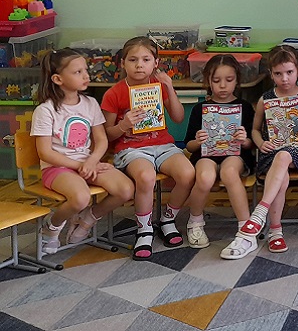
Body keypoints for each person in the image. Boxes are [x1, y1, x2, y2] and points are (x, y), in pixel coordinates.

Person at [31, 49, 134, 254]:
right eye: (78, 72)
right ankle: (51, 227)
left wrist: (92, 161)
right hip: (57, 168)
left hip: (87, 163)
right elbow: (45, 153)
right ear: (58, 79)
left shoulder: (90, 103)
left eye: (85, 70)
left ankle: (87, 219)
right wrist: (82, 165)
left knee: (126, 189)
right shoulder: (45, 110)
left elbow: (101, 140)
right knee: (80, 198)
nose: (86, 75)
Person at [101, 37, 195, 260]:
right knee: (146, 176)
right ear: (123, 63)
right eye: (132, 60)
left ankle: (167, 219)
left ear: (155, 63)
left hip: (163, 145)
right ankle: (144, 229)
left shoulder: (159, 86)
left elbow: (178, 118)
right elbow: (106, 134)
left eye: (145, 60)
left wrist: (169, 87)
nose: (139, 65)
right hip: (131, 149)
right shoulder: (114, 93)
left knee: (188, 173)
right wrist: (124, 125)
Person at [221, 45, 298, 259]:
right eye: (278, 73)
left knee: (284, 156)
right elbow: (255, 130)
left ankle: (261, 212)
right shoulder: (265, 99)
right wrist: (260, 143)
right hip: (271, 152)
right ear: (271, 74)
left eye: (289, 72)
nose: (284, 78)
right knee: (281, 173)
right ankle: (275, 231)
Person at [183, 55, 256, 249]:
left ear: (237, 80)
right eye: (216, 81)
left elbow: (252, 144)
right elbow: (189, 145)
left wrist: (245, 139)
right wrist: (197, 141)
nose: (223, 86)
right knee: (205, 177)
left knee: (229, 172)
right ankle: (195, 222)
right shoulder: (200, 109)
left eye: (229, 80)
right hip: (206, 154)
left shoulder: (245, 107)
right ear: (208, 81)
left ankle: (246, 229)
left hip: (235, 154)